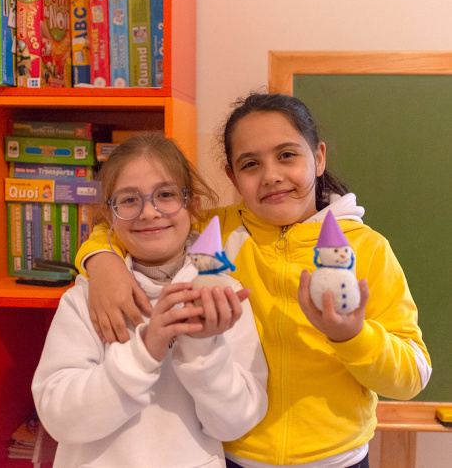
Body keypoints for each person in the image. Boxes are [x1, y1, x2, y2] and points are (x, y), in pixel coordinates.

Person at [75, 94, 432, 468]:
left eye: (287, 155)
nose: (272, 175)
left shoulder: (367, 248)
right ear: (232, 177)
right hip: (232, 455)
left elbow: (411, 376)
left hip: (337, 460)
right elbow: (137, 225)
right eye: (250, 164)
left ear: (319, 157)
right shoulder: (214, 230)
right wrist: (101, 261)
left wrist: (352, 337)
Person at [32, 132, 268, 468]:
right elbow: (60, 418)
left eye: (166, 195)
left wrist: (203, 349)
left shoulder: (225, 297)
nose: (149, 213)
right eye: (129, 200)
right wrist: (143, 352)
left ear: (193, 204)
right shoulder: (85, 299)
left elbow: (237, 421)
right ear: (110, 214)